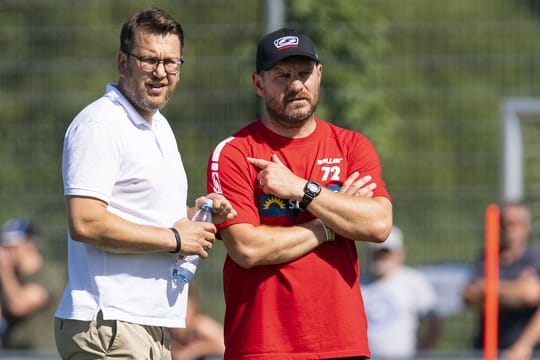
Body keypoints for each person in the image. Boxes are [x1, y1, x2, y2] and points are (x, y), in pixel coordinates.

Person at [53, 8, 236, 360]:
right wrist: (176, 239)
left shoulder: (159, 127)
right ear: (123, 63)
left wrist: (194, 216)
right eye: (149, 59)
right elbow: (85, 221)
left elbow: (142, 213)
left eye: (172, 62)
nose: (161, 72)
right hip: (108, 326)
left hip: (145, 326)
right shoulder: (100, 125)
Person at [206, 28, 392, 359]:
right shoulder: (236, 152)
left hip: (341, 345)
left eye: (304, 74)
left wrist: (302, 190)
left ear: (319, 75)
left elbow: (378, 224)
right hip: (263, 346)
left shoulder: (351, 147)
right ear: (258, 83)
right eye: (282, 75)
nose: (296, 85)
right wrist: (328, 226)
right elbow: (247, 248)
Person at [463, 202, 540, 351]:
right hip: (488, 349)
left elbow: (530, 294)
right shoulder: (486, 258)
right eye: (506, 223)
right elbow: (469, 297)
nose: (511, 229)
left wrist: (488, 289)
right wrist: (515, 291)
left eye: (517, 224)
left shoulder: (534, 259)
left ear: (527, 226)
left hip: (526, 352)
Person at [361, 226, 441, 359]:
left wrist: (421, 352)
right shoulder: (358, 283)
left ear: (399, 255)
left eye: (385, 253)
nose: (380, 258)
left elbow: (434, 322)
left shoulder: (414, 281)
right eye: (376, 253)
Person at [0, 218, 66, 352]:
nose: (6, 252)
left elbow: (18, 305)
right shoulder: (11, 278)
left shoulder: (49, 274)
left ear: (30, 245)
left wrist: (4, 270)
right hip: (12, 354)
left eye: (11, 247)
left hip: (42, 355)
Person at [170, 285, 225, 360]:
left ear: (194, 309)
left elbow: (224, 345)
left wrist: (193, 351)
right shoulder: (170, 332)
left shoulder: (200, 326)